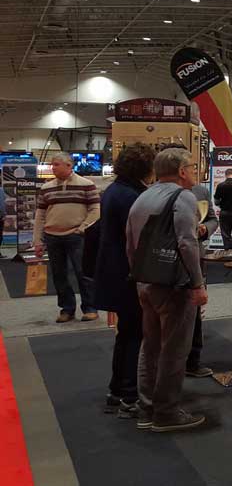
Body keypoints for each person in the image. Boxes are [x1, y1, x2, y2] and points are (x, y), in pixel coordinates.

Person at [126, 148, 208, 432]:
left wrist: (140, 279)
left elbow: (130, 243)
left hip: (145, 283)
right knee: (174, 350)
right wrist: (197, 283)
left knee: (149, 348)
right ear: (182, 171)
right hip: (174, 285)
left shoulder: (142, 196)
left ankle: (147, 408)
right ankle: (167, 412)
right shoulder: (183, 196)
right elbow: (187, 242)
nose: (195, 173)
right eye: (193, 167)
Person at [94, 143, 155, 416]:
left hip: (113, 272)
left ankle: (117, 389)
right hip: (128, 274)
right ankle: (129, 395)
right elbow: (138, 240)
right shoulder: (132, 196)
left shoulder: (113, 191)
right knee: (134, 335)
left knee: (126, 334)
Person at [161, 142, 217, 379]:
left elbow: (213, 219)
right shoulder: (157, 193)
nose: (196, 170)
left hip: (195, 256)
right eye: (192, 166)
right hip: (166, 262)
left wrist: (206, 228)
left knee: (194, 311)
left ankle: (193, 359)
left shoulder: (201, 192)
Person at [34, 152, 101, 323]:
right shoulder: (46, 188)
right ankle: (67, 309)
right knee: (59, 274)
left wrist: (82, 228)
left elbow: (95, 209)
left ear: (69, 166)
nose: (52, 168)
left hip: (76, 235)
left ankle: (90, 308)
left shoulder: (86, 185)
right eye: (52, 164)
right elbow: (40, 215)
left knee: (83, 272)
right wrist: (37, 240)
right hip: (52, 236)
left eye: (56, 164)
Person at [212, 168, 232, 250]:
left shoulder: (220, 186)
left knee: (226, 235)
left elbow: (216, 201)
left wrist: (221, 204)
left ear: (225, 175)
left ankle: (229, 253)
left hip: (224, 213)